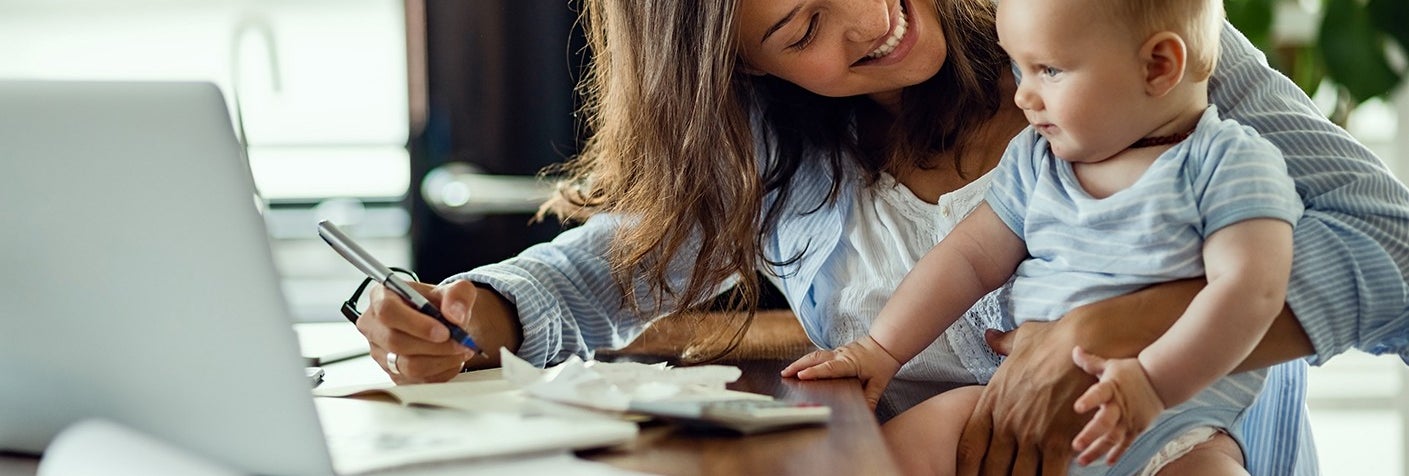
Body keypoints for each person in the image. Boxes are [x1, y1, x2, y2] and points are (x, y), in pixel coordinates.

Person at [350, 0, 1409, 474]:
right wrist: (471, 309)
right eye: (802, 29)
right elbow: (605, 266)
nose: (868, 20)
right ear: (746, 73)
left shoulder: (1115, 36)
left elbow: (1393, 253)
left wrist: (1122, 323)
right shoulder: (782, 144)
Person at [783, 0, 1299, 473]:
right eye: (1018, 67)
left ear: (1158, 66)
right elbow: (967, 258)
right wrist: (879, 349)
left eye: (1048, 70)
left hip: (1175, 427)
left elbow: (1251, 292)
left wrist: (1153, 381)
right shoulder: (1038, 160)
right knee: (896, 450)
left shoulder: (1230, 164)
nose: (1024, 95)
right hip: (1010, 407)